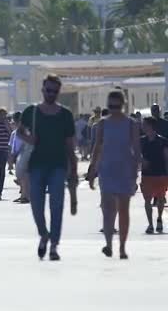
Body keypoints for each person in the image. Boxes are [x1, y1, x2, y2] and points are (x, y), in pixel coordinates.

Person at [19, 74, 77, 261]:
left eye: (54, 91)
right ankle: (43, 234)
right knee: (36, 204)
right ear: (43, 90)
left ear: (58, 92)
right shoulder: (32, 111)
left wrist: (74, 169)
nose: (51, 94)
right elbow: (19, 131)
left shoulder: (65, 114)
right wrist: (30, 139)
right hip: (36, 164)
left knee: (56, 205)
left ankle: (54, 245)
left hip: (58, 165)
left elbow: (70, 144)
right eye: (48, 90)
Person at [87, 90, 139, 259]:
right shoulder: (102, 124)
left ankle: (122, 247)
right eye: (110, 106)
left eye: (116, 106)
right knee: (108, 210)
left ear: (122, 105)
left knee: (124, 210)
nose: (114, 109)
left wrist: (136, 172)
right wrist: (92, 169)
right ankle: (109, 244)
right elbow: (97, 147)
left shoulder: (131, 124)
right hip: (107, 170)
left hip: (125, 170)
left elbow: (137, 150)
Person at [139, 117, 167, 234]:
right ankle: (150, 224)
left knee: (160, 199)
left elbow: (166, 157)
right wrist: (141, 161)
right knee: (147, 200)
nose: (143, 127)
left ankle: (159, 219)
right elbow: (135, 154)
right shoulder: (141, 141)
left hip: (161, 173)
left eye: (145, 125)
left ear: (151, 126)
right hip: (147, 175)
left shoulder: (162, 141)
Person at [9, 112, 29, 204]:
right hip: (26, 154)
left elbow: (16, 146)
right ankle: (24, 195)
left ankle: (25, 196)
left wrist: (12, 155)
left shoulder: (19, 131)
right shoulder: (26, 129)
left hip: (22, 154)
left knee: (22, 176)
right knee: (23, 176)